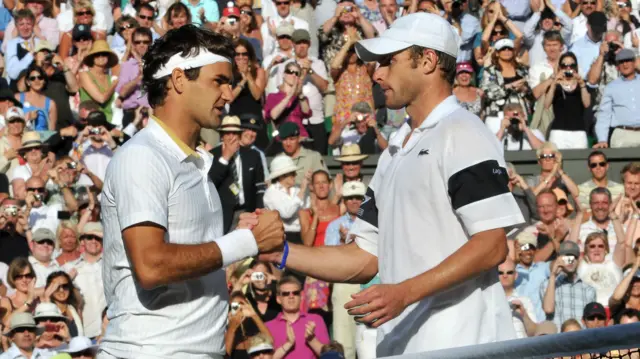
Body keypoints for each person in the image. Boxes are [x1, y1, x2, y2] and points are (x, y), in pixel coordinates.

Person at [260, 13, 525, 356]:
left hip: (462, 345)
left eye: (389, 61)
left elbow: (491, 245)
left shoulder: (462, 131)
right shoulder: (395, 151)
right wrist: (279, 252)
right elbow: (364, 257)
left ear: (428, 61)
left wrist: (403, 293)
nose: (378, 73)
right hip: (403, 346)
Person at [99, 25, 284, 359]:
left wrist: (238, 235)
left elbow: (193, 255)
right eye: (219, 81)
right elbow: (151, 265)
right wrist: (245, 243)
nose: (229, 95)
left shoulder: (195, 163)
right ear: (180, 79)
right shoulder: (143, 156)